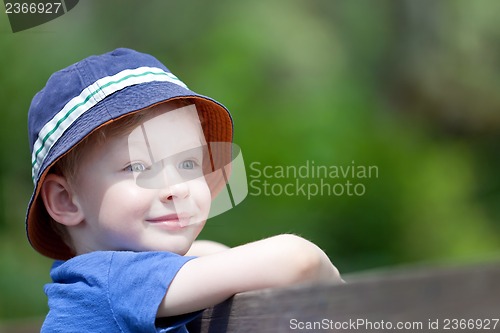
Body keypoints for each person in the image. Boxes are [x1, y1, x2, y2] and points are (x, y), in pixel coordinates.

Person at [26, 48, 342, 333]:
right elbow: (298, 260)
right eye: (138, 167)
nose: (176, 188)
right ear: (65, 200)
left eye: (189, 164)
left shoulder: (90, 282)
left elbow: (207, 253)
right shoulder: (113, 282)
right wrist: (338, 290)